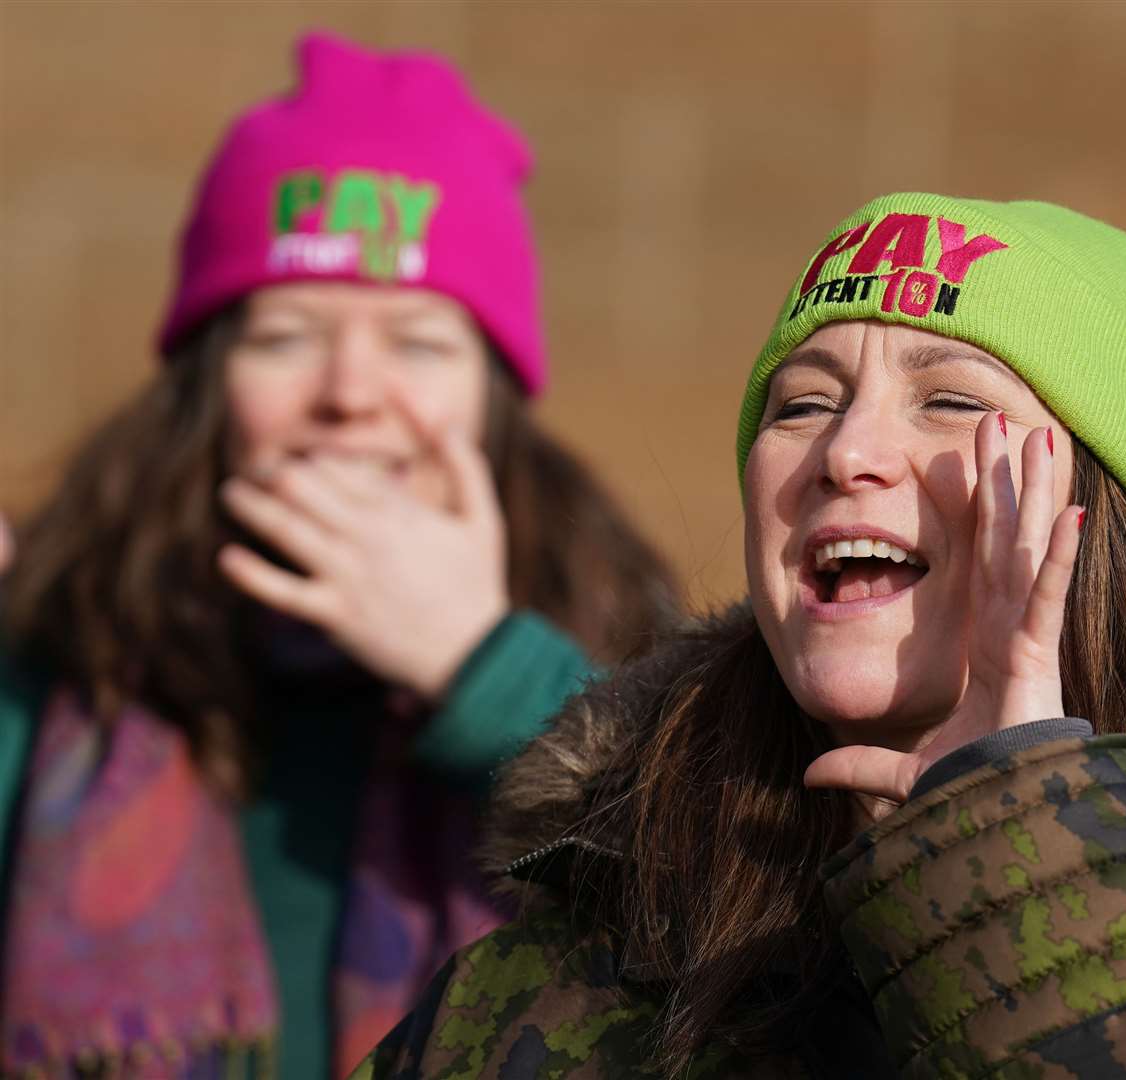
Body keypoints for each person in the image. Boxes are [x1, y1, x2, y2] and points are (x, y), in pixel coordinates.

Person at [359, 193, 1126, 1079]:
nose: (845, 453)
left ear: (1095, 526)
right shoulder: (576, 949)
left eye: (949, 401)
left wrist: (1023, 838)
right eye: (804, 403)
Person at [0, 34, 676, 1080]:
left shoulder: (629, 648)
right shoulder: (54, 662)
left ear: (491, 400)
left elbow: (723, 923)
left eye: (418, 343)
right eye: (285, 337)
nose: (350, 394)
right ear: (207, 390)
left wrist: (484, 668)